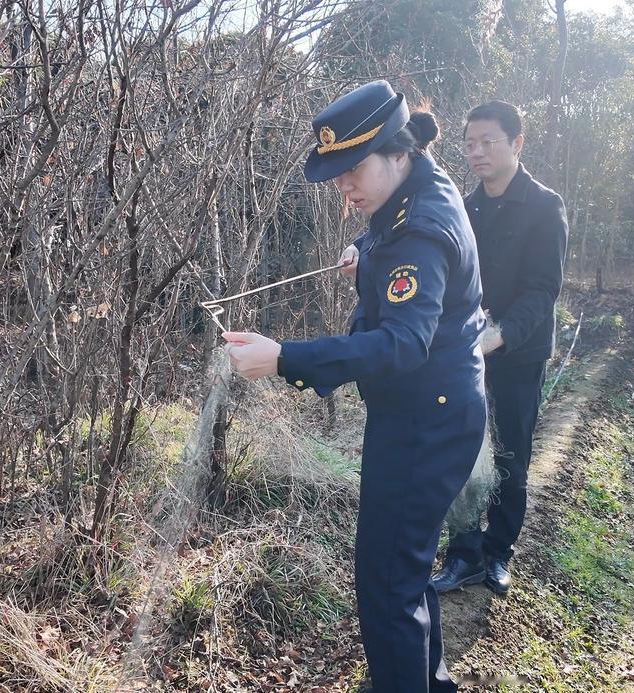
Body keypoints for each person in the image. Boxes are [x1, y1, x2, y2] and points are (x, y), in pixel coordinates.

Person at [222, 80, 486, 692]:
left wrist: (286, 357)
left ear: (397, 151)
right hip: (430, 412)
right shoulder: (417, 191)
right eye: (335, 173)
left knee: (388, 578)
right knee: (407, 564)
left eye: (352, 168)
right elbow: (393, 239)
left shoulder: (418, 228)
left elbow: (402, 342)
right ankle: (426, 681)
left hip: (425, 422)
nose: (344, 185)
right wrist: (365, 253)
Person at [430, 101, 568, 597]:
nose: (476, 152)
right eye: (469, 143)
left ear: (517, 143)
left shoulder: (544, 207)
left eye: (488, 141)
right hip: (466, 354)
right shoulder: (466, 208)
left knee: (511, 452)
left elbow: (542, 288)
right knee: (464, 452)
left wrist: (502, 334)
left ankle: (498, 551)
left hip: (517, 353)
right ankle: (464, 550)